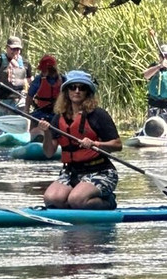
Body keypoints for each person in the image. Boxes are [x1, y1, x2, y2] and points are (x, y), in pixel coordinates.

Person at [39, 70, 123, 209]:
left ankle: (108, 202)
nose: (77, 91)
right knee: (51, 200)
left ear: (87, 92)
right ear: (67, 91)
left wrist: (95, 144)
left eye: (82, 88)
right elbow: (49, 153)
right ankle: (78, 201)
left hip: (100, 171)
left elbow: (117, 145)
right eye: (73, 87)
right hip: (71, 172)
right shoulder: (58, 117)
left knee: (76, 200)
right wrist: (47, 133)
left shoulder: (98, 115)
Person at [0, 35, 31, 115]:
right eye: (13, 49)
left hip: (19, 100)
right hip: (2, 99)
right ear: (7, 47)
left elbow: (30, 79)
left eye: (18, 49)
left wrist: (24, 85)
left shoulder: (25, 62)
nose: (15, 51)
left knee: (17, 126)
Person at [27, 54, 65, 120]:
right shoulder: (39, 79)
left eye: (43, 70)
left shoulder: (63, 79)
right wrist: (26, 111)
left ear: (51, 69)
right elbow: (29, 95)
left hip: (57, 114)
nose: (41, 72)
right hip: (40, 112)